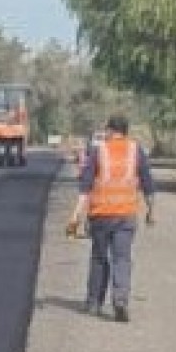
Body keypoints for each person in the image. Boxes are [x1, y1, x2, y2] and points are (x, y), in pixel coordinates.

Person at [67, 114, 156, 322]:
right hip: (125, 215)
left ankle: (94, 303)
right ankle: (120, 300)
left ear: (109, 130)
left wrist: (75, 217)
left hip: (101, 216)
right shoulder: (136, 151)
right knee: (122, 258)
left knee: (99, 258)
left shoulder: (99, 151)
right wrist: (152, 211)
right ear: (125, 131)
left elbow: (85, 189)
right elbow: (148, 184)